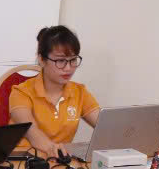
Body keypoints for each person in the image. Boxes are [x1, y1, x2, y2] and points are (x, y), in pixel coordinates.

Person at [7, 25, 100, 155]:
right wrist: (54, 149)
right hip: (23, 161)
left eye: (73, 60)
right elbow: (32, 132)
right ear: (42, 59)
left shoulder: (80, 92)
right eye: (60, 60)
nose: (68, 68)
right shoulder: (21, 92)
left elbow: (105, 126)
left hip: (59, 161)